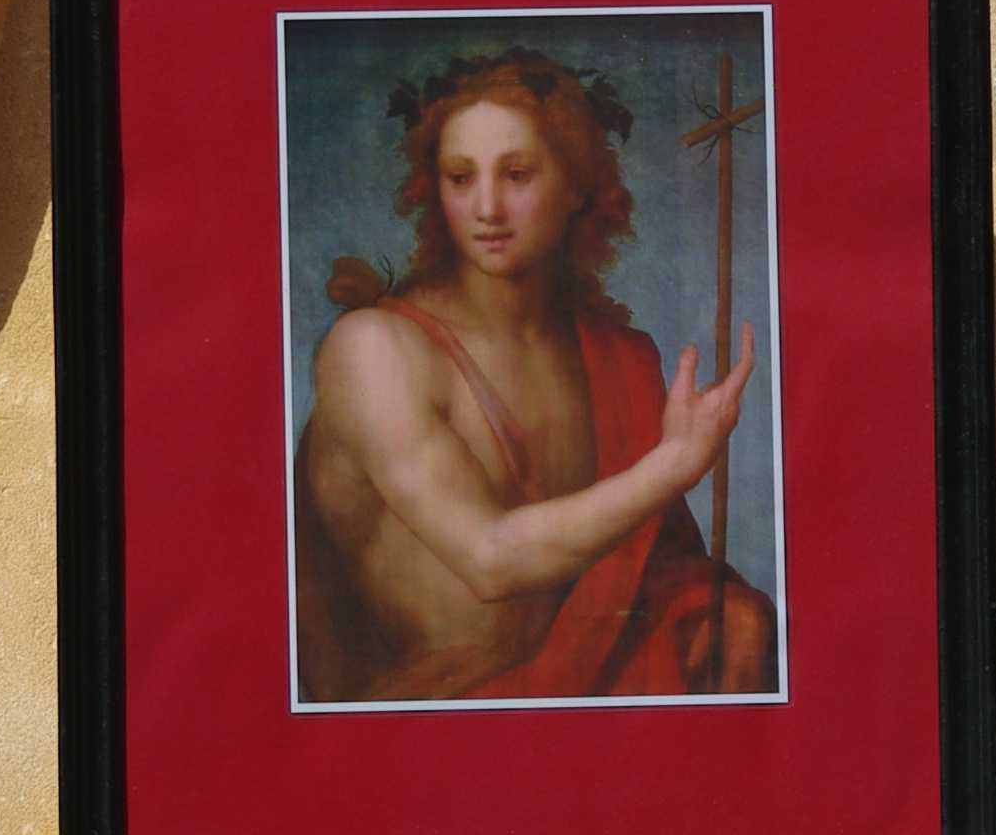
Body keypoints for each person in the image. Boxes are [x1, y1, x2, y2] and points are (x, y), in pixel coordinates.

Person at [295, 46, 777, 703]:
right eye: (460, 177)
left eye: (517, 174)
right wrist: (672, 465)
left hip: (582, 705)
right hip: (431, 725)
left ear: (576, 184)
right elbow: (488, 561)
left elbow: (647, 571)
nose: (487, 207)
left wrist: (722, 610)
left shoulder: (620, 359)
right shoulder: (375, 349)